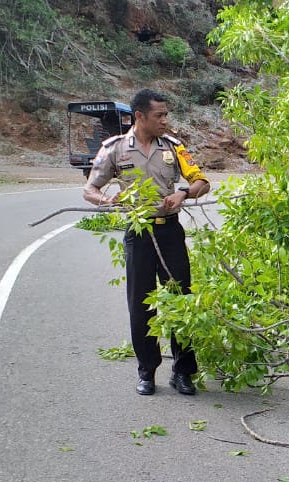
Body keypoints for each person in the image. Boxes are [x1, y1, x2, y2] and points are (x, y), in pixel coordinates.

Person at [83, 89, 211, 396]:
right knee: (141, 305)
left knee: (181, 301)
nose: (165, 120)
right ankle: (147, 371)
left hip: (170, 232)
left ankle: (183, 372)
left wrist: (183, 193)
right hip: (138, 234)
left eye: (166, 114)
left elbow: (202, 182)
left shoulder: (174, 147)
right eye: (159, 115)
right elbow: (90, 189)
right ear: (139, 116)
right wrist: (106, 200)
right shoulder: (114, 149)